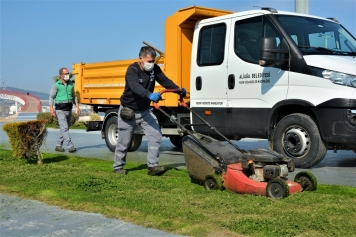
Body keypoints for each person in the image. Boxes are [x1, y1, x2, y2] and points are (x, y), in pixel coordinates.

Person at [114, 46, 186, 176]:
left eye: (153, 61)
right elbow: (135, 87)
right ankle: (118, 167)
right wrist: (149, 95)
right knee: (124, 141)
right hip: (128, 110)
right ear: (140, 59)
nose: (151, 64)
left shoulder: (154, 69)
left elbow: (165, 81)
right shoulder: (132, 70)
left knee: (155, 135)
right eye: (149, 61)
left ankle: (152, 167)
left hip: (145, 111)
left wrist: (178, 90)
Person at [49, 67, 81, 153]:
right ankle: (70, 146)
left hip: (69, 108)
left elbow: (74, 96)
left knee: (64, 128)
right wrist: (51, 108)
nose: (68, 75)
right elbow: (51, 97)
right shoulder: (56, 85)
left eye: (68, 74)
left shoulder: (71, 84)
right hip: (60, 109)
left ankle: (58, 145)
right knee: (65, 127)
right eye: (66, 74)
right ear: (61, 75)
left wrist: (77, 107)